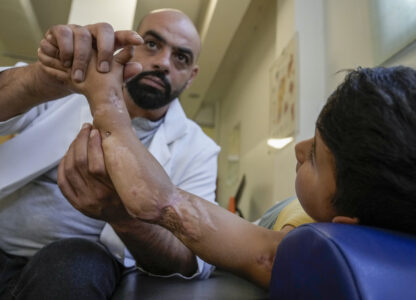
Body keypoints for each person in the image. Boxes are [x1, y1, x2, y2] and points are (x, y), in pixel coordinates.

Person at [63, 53, 416, 291]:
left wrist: (107, 98)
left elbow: (156, 200)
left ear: (346, 226)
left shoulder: (305, 247)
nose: (297, 148)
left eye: (313, 157)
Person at [0, 9, 220, 299]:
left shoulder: (199, 150)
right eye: (152, 44)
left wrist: (123, 215)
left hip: (72, 263)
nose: (163, 62)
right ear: (128, 46)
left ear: (191, 77)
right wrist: (39, 79)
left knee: (75, 267)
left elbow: (194, 255)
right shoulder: (69, 87)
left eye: (181, 57)